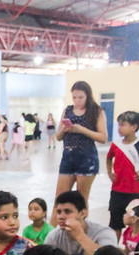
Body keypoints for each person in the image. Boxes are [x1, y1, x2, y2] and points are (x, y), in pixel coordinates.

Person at [52, 81, 109, 225]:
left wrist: (81, 129)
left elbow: (103, 137)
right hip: (68, 156)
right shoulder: (68, 110)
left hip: (86, 157)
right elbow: (58, 137)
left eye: (80, 97)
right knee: (59, 196)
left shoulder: (96, 111)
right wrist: (63, 130)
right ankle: (52, 231)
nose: (77, 101)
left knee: (81, 198)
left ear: (87, 96)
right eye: (74, 97)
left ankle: (79, 229)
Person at [44, 190, 118, 255]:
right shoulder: (54, 236)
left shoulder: (103, 233)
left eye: (67, 211)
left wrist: (80, 236)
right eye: (58, 212)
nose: (61, 216)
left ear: (83, 213)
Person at [107, 110, 139, 239]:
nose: (119, 128)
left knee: (135, 223)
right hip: (117, 191)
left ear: (134, 127)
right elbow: (109, 158)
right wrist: (109, 172)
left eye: (123, 125)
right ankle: (114, 248)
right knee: (115, 223)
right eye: (119, 124)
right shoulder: (116, 144)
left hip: (135, 192)